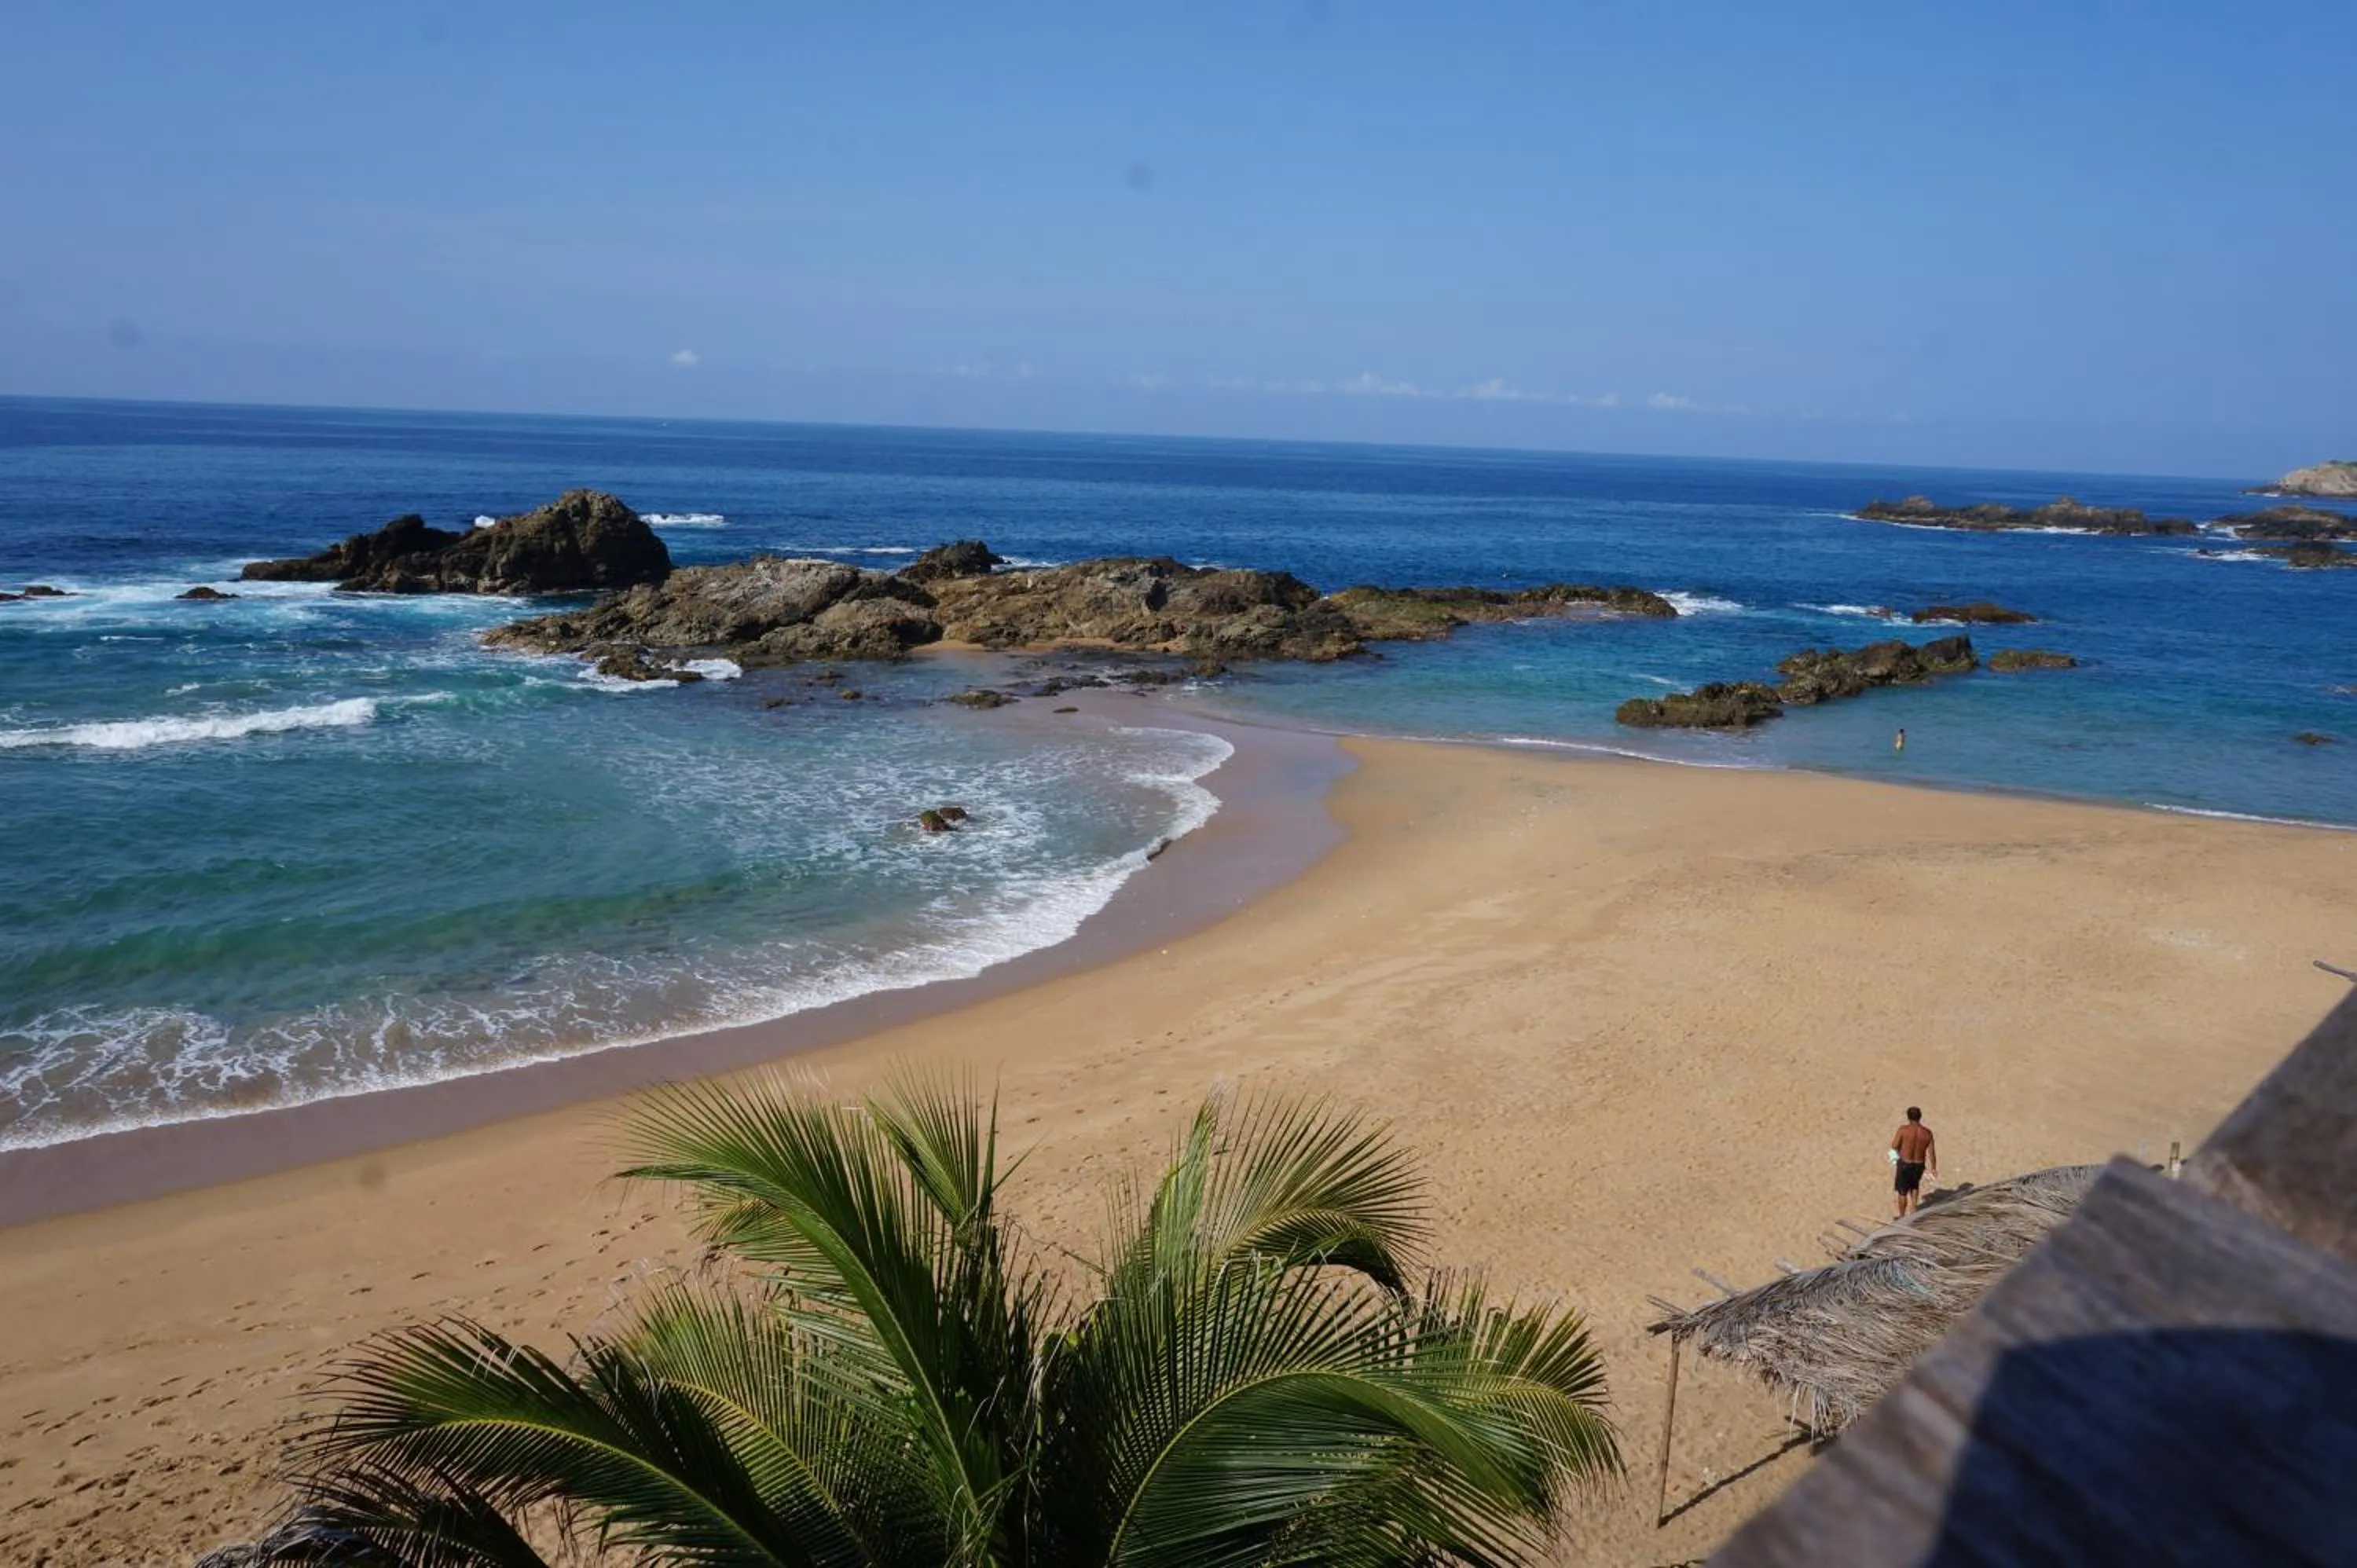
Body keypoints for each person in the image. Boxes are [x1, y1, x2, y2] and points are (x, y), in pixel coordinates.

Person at [1890, 1106, 1937, 1218]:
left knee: (1902, 1191)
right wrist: (1934, 1168)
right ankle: (1914, 1209)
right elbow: (1932, 1153)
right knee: (1914, 1185)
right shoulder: (1927, 1133)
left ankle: (1902, 1216)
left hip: (1905, 1163)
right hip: (1919, 1164)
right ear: (1920, 1117)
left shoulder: (1903, 1130)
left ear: (1908, 1117)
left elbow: (1894, 1145)